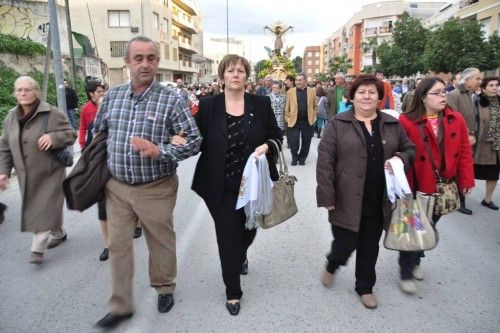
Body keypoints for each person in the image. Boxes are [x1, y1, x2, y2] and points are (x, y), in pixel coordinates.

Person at [92, 36, 201, 329]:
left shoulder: (172, 99)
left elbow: (194, 140)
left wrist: (161, 149)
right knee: (118, 246)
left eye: (151, 58)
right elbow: (98, 134)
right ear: (127, 62)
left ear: (157, 62)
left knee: (161, 242)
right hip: (116, 187)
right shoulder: (112, 97)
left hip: (156, 187)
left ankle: (164, 287)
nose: (145, 64)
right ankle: (121, 305)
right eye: (138, 58)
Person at [192, 54, 282, 316]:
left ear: (246, 76)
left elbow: (276, 136)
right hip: (219, 185)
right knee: (227, 236)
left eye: (240, 71)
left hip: (252, 185)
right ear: (222, 76)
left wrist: (266, 146)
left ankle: (241, 253)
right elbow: (193, 137)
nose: (235, 75)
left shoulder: (261, 104)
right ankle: (233, 291)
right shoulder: (209, 106)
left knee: (248, 230)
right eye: (230, 70)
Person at [316, 74, 415, 309]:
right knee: (345, 243)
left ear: (380, 97)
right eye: (361, 92)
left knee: (370, 246)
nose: (367, 96)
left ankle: (365, 286)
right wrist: (327, 195)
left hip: (378, 198)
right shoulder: (338, 124)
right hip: (345, 198)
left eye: (372, 92)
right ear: (352, 96)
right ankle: (333, 263)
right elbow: (325, 162)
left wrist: (400, 158)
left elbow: (410, 149)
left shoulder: (392, 124)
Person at [398, 77, 474, 294]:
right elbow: (399, 151)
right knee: (412, 229)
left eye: (444, 91)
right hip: (416, 185)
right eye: (437, 92)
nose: (444, 96)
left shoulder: (455, 119)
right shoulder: (406, 121)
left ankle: (416, 262)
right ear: (423, 97)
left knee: (428, 226)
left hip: (443, 187)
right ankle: (406, 271)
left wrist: (467, 180)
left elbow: (464, 152)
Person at [0, 76, 77, 264]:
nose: (23, 93)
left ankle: (37, 248)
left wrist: (54, 138)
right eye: (19, 90)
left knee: (43, 208)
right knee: (44, 207)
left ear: (36, 92)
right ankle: (59, 232)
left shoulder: (52, 113)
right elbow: (4, 146)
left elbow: (71, 134)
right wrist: (3, 171)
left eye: (27, 89)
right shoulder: (11, 117)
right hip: (26, 173)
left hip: (50, 172)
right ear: (14, 93)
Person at [79, 79, 110, 261]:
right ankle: (108, 243)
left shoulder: (114, 106)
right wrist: (83, 146)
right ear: (91, 94)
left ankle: (136, 222)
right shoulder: (86, 110)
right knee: (102, 202)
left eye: (103, 90)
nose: (102, 93)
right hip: (96, 160)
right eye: (99, 91)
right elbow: (83, 128)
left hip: (115, 160)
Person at [446, 67, 482, 215]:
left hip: (470, 139)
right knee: (458, 169)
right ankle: (459, 200)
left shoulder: (472, 95)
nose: (480, 81)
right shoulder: (454, 95)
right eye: (477, 78)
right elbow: (451, 119)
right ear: (467, 81)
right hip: (460, 140)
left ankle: (460, 197)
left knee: (465, 169)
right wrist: (465, 136)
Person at [473, 76, 500, 210]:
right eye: (491, 85)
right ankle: (461, 196)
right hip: (478, 144)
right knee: (469, 171)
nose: (495, 87)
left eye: (496, 85)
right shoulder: (477, 101)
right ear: (483, 88)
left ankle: (487, 199)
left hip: (495, 144)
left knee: (493, 173)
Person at [285, 73, 318, 165]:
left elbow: (315, 106)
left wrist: (313, 116)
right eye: (296, 80)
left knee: (306, 142)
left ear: (305, 81)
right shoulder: (290, 92)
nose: (298, 82)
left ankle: (302, 158)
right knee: (294, 142)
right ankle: (294, 158)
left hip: (307, 121)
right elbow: (286, 108)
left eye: (300, 80)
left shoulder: (312, 91)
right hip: (294, 122)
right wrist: (287, 119)